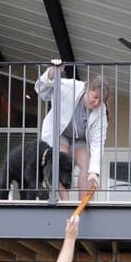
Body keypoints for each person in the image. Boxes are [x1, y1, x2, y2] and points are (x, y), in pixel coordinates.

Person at [35, 62, 110, 200]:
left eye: (101, 101)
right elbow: (41, 89)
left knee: (87, 168)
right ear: (87, 89)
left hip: (80, 140)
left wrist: (95, 172)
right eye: (94, 97)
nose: (96, 103)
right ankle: (65, 202)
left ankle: (84, 205)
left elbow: (98, 142)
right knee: (59, 162)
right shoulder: (70, 87)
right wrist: (52, 72)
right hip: (60, 134)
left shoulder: (101, 112)